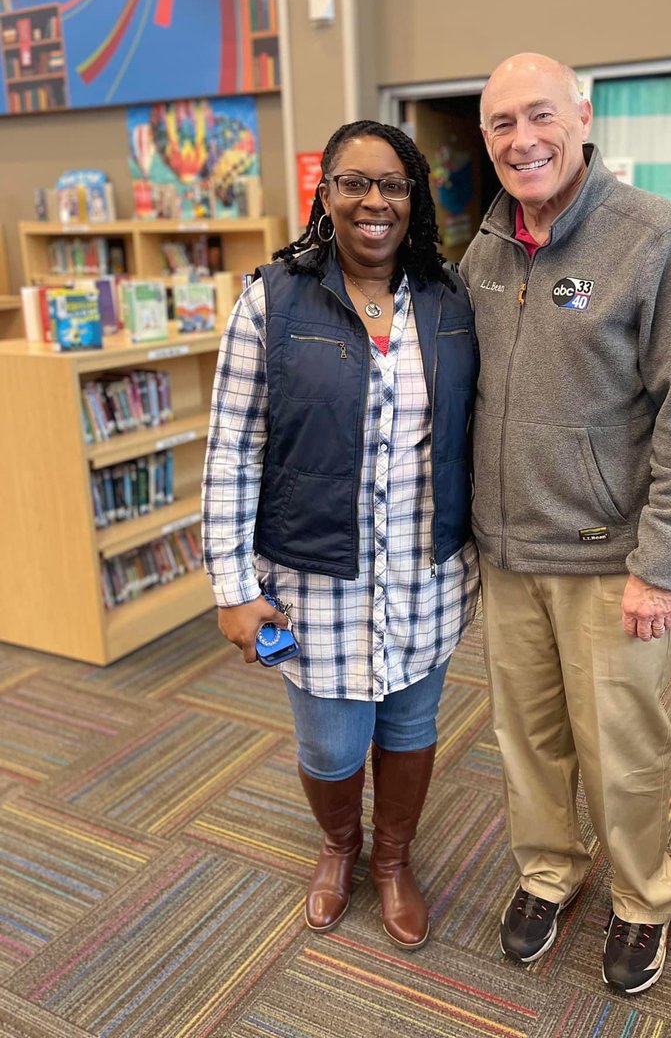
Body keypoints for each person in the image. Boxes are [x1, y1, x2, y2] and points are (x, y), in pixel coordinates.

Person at [459, 53, 671, 993]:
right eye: (501, 124)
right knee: (525, 738)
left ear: (582, 115)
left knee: (621, 745)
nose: (522, 139)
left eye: (540, 115)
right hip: (508, 554)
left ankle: (641, 897)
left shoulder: (651, 235)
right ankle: (548, 871)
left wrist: (663, 564)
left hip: (611, 559)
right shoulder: (485, 248)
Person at [202, 120, 480, 951]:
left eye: (393, 185)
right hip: (313, 578)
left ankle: (393, 862)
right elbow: (231, 447)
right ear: (324, 194)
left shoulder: (449, 299)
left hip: (425, 572)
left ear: (412, 200)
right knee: (329, 740)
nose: (375, 201)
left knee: (409, 727)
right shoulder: (272, 299)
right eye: (354, 182)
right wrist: (232, 586)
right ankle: (338, 848)